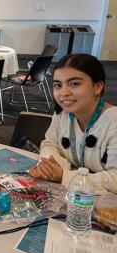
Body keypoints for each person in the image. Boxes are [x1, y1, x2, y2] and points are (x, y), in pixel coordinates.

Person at [30, 54, 117, 195]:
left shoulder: (113, 121)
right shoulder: (63, 113)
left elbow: (115, 179)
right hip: (72, 194)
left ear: (97, 87)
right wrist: (50, 168)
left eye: (74, 84)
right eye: (58, 85)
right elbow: (50, 143)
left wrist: (64, 176)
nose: (63, 93)